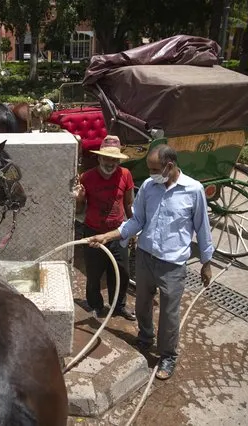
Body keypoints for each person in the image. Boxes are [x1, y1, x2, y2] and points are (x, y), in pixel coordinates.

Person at [87, 144, 214, 381]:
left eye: (155, 169)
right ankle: (146, 337)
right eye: (149, 169)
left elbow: (202, 228)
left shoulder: (193, 190)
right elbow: (137, 221)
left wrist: (207, 262)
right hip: (145, 257)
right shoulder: (149, 186)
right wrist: (108, 235)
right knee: (142, 305)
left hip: (172, 265)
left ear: (170, 165)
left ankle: (167, 356)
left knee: (169, 314)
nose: (151, 174)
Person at [73, 135, 136, 321]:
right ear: (99, 158)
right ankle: (95, 305)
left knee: (122, 272)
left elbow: (129, 205)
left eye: (114, 159)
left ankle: (119, 306)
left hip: (118, 233)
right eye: (106, 158)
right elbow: (79, 210)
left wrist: (133, 231)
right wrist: (79, 198)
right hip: (93, 231)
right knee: (94, 273)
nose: (110, 163)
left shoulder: (125, 174)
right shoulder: (87, 177)